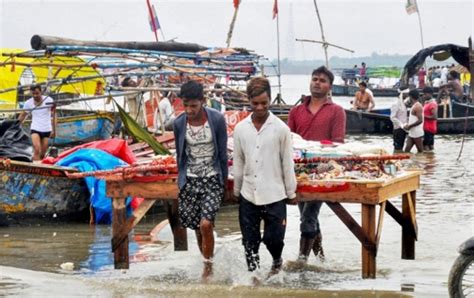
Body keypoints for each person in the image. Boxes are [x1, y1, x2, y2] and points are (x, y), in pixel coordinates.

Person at [233, 77, 296, 277]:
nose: (260, 107)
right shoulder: (241, 129)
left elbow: (287, 163)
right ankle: (254, 277)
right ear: (249, 101)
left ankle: (277, 261)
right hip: (249, 193)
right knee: (249, 241)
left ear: (270, 100)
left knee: (274, 238)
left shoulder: (281, 129)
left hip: (275, 193)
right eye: (255, 103)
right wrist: (236, 190)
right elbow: (239, 161)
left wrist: (291, 192)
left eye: (264, 103)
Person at [287, 66, 346, 263]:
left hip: (323, 169)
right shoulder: (296, 111)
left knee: (308, 215)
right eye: (314, 79)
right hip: (299, 170)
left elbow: (338, 143)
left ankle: (301, 261)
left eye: (322, 80)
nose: (317, 83)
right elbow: (290, 141)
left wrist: (324, 163)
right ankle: (321, 259)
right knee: (307, 214)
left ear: (329, 86)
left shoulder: (337, 111)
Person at [173, 80, 228, 281]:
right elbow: (180, 154)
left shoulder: (217, 120)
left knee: (206, 224)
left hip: (212, 178)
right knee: (197, 227)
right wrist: (180, 180)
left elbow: (222, 153)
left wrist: (224, 182)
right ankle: (207, 260)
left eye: (193, 106)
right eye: (185, 105)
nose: (189, 110)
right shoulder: (179, 123)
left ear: (203, 101)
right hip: (190, 180)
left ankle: (208, 268)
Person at [18, 85, 57, 161]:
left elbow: (54, 115)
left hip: (46, 129)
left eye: (37, 93)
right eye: (33, 94)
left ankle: (39, 166)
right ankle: (34, 169)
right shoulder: (28, 103)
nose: (35, 95)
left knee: (42, 153)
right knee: (37, 149)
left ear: (41, 92)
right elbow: (23, 115)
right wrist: (15, 126)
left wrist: (54, 130)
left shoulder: (49, 100)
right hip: (35, 128)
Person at [422, 87, 438, 151]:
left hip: (429, 128)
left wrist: (423, 116)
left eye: (425, 94)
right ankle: (430, 159)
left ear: (430, 94)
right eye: (424, 94)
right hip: (427, 127)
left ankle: (427, 159)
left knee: (425, 146)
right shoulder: (427, 103)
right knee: (430, 146)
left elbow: (434, 117)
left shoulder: (432, 104)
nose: (424, 96)